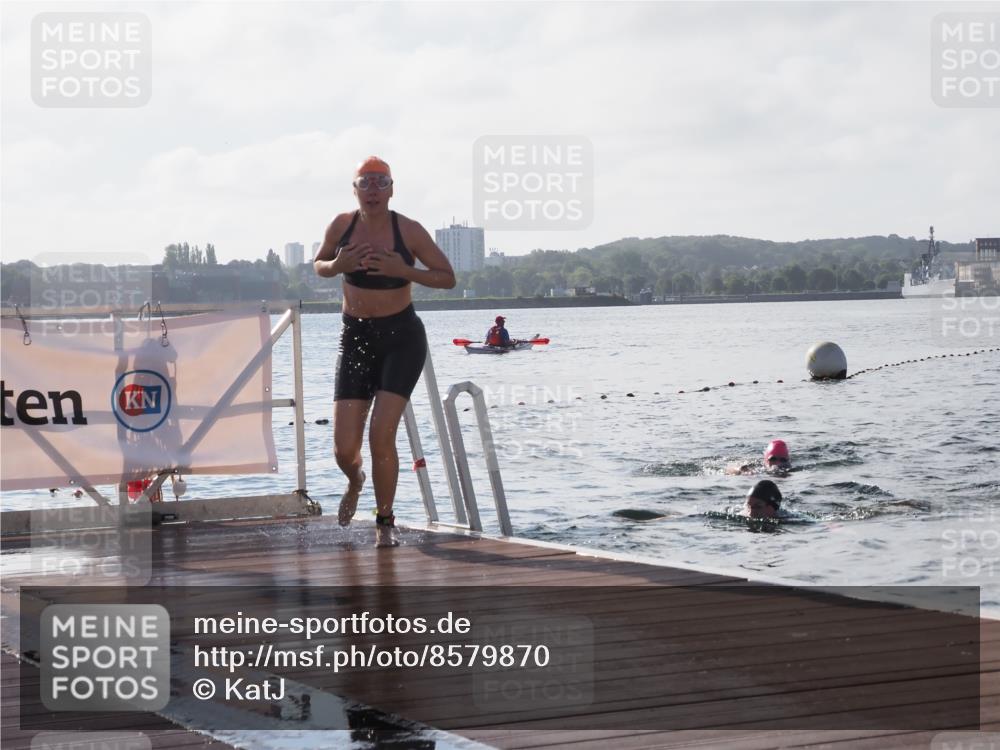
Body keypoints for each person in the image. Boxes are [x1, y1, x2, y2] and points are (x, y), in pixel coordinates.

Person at [313, 156, 456, 547]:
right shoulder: (342, 225)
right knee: (344, 448)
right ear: (355, 189)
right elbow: (319, 265)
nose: (373, 190)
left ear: (392, 190)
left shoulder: (408, 230)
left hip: (401, 338)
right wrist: (338, 263)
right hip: (355, 337)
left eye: (381, 183)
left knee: (381, 435)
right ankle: (354, 481)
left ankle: (384, 522)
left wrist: (404, 269)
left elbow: (447, 278)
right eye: (366, 183)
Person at [725, 438, 793, 476]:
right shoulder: (758, 467)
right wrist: (740, 470)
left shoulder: (790, 471)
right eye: (773, 459)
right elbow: (729, 470)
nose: (777, 463)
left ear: (788, 461)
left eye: (783, 460)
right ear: (766, 460)